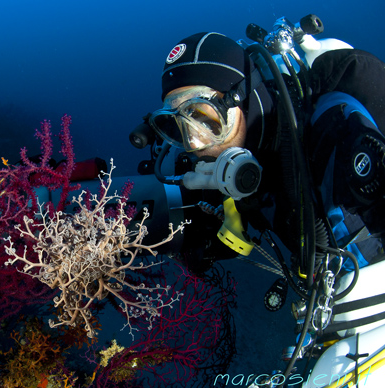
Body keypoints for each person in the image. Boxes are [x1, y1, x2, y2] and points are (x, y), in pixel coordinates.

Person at [139, 29, 385, 275]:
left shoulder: (335, 132)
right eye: (177, 125)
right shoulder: (238, 154)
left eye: (204, 117)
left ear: (244, 100)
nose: (193, 143)